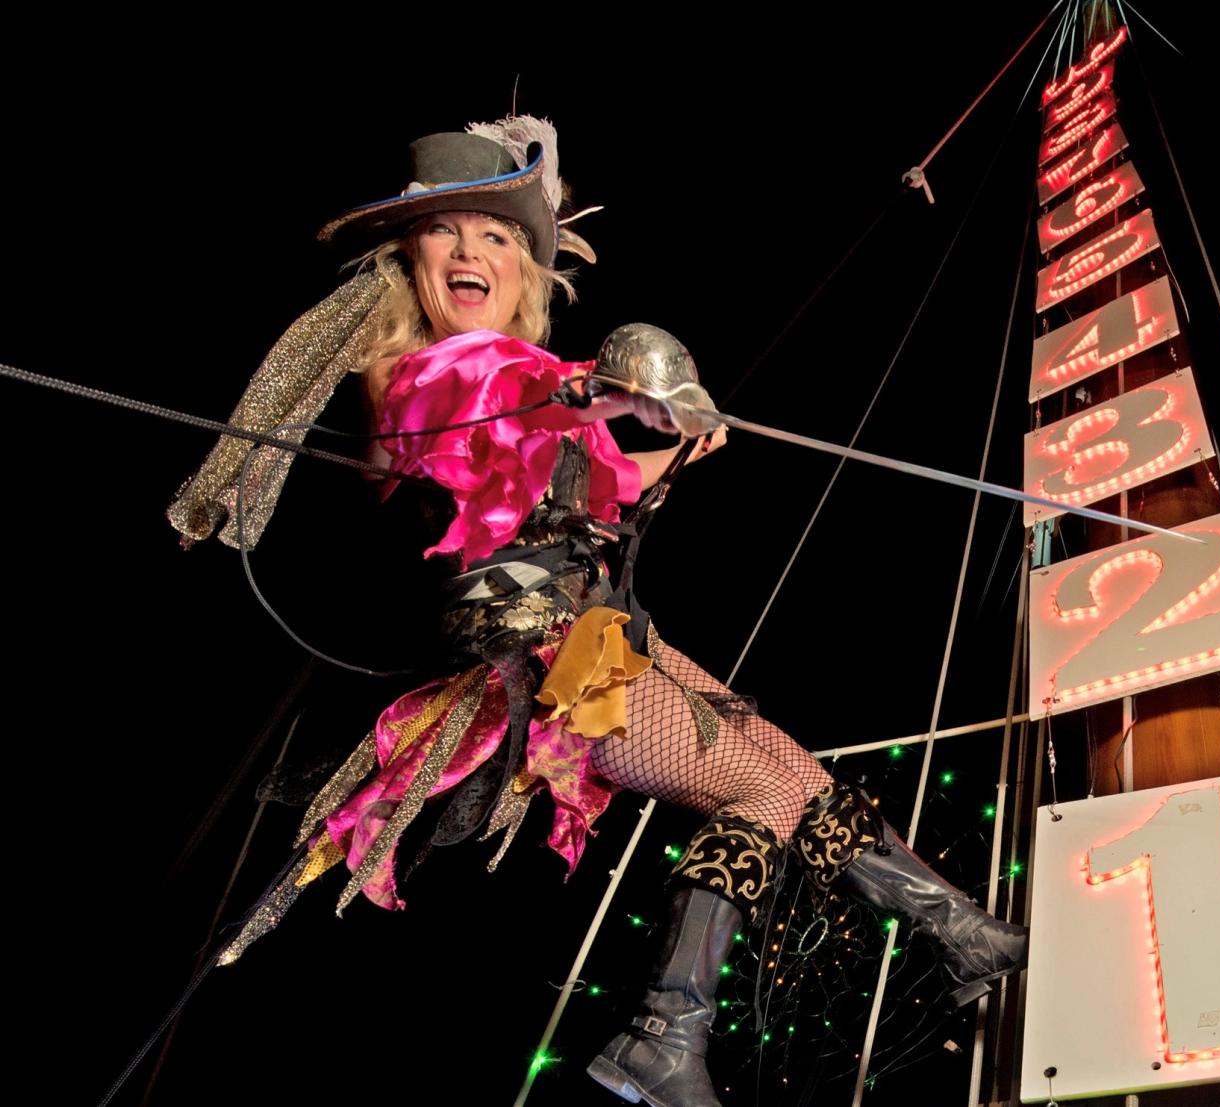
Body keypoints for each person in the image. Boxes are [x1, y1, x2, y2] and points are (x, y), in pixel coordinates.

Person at [169, 117, 1026, 1107]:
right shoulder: (428, 369)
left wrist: (678, 443)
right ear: (411, 256)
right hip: (531, 639)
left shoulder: (529, 387)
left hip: (599, 620)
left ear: (526, 266)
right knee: (761, 796)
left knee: (792, 765)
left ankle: (959, 929)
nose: (470, 252)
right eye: (447, 231)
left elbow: (608, 482)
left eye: (496, 236)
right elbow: (501, 391)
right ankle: (664, 1038)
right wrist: (603, 385)